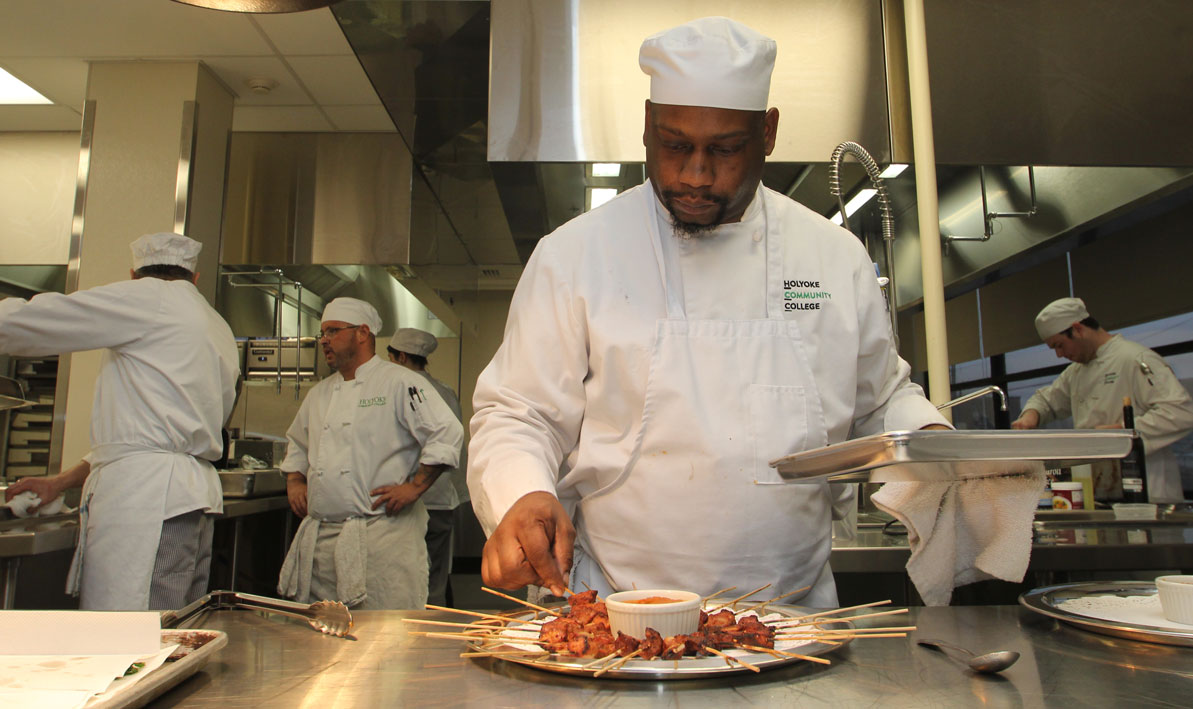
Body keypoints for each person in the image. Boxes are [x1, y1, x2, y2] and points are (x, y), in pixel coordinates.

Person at [468, 16, 949, 606]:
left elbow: (880, 402)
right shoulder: (576, 254)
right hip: (616, 615)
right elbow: (519, 413)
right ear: (647, 126)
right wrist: (520, 493)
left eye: (724, 149)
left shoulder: (832, 256)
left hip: (792, 620)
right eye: (675, 146)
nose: (695, 175)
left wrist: (935, 444)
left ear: (767, 133)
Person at [0, 232, 239, 610]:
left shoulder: (147, 298)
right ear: (194, 277)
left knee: (139, 635)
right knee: (176, 628)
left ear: (134, 275)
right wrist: (60, 482)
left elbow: (31, 321)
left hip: (147, 503)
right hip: (188, 500)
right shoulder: (216, 324)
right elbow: (142, 438)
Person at [278, 299, 463, 609]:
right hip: (323, 543)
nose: (324, 340)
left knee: (386, 642)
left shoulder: (400, 382)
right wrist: (295, 481)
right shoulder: (319, 394)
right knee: (324, 643)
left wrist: (414, 487)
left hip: (382, 540)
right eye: (322, 332)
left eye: (333, 331)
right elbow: (297, 443)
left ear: (362, 333)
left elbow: (446, 433)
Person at [1012, 297, 1193, 502]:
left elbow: (1180, 412)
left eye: (1060, 345)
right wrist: (1030, 416)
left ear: (1078, 329)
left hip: (1149, 491)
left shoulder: (1134, 359)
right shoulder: (1076, 373)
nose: (1059, 355)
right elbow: (1046, 400)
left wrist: (1123, 433)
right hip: (1100, 490)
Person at [388, 327, 468, 607]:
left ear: (399, 357)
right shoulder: (445, 391)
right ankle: (435, 624)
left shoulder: (397, 389)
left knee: (402, 576)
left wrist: (413, 487)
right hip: (442, 500)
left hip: (407, 500)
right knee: (435, 576)